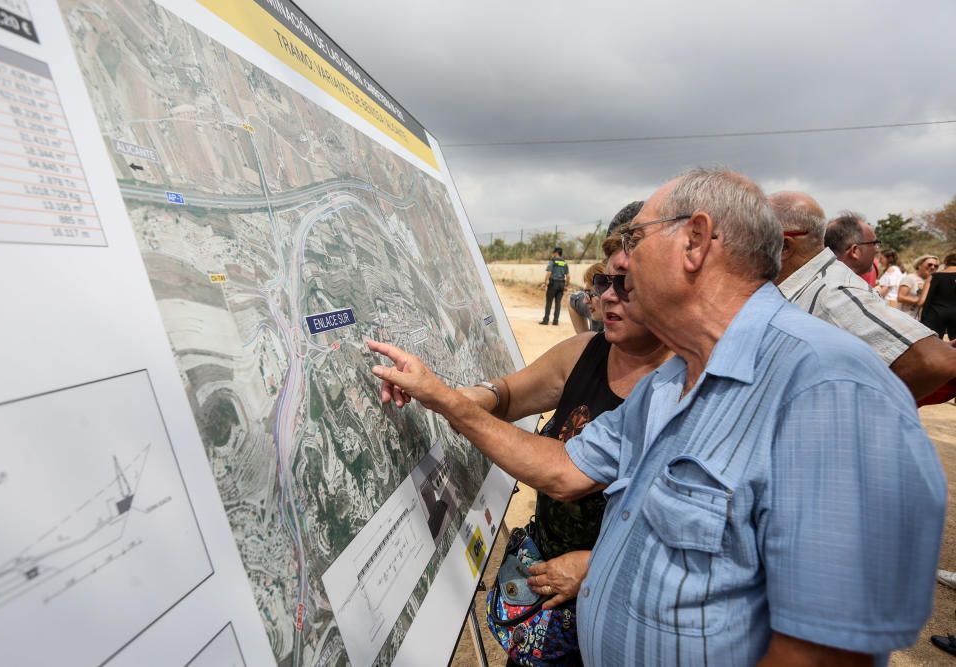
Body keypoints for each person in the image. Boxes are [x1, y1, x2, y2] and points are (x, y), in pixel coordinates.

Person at [369, 168, 946, 666]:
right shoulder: (675, 378)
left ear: (695, 241)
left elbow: (824, 653)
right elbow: (565, 468)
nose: (620, 263)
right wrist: (444, 398)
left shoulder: (833, 393)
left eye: (635, 239)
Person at [463, 237, 670, 665]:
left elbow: (685, 539)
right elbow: (506, 394)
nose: (607, 296)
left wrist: (595, 565)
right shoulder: (586, 352)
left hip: (616, 611)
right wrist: (470, 398)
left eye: (626, 285)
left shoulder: (682, 384)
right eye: (604, 281)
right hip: (543, 590)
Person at [773, 192, 956, 404]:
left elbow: (935, 361)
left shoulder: (835, 294)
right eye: (874, 243)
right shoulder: (825, 291)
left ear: (785, 245)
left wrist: (857, 415)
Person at [568, 201, 644, 333]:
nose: (606, 296)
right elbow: (573, 301)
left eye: (625, 282)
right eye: (602, 284)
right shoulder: (596, 302)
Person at [920, 252, 956, 339]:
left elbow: (922, 301)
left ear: (945, 263)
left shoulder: (934, 276)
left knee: (932, 345)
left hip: (935, 314)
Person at [567, 262, 606, 334]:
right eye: (586, 293)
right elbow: (573, 299)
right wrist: (586, 339)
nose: (585, 301)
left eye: (591, 293)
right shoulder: (594, 306)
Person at [540, 247, 569, 326]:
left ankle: (546, 320)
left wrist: (545, 283)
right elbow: (568, 276)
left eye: (554, 252)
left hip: (553, 283)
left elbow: (549, 272)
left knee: (549, 302)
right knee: (558, 302)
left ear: (556, 253)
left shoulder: (553, 261)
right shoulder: (564, 262)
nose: (553, 254)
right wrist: (566, 285)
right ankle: (555, 321)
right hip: (562, 284)